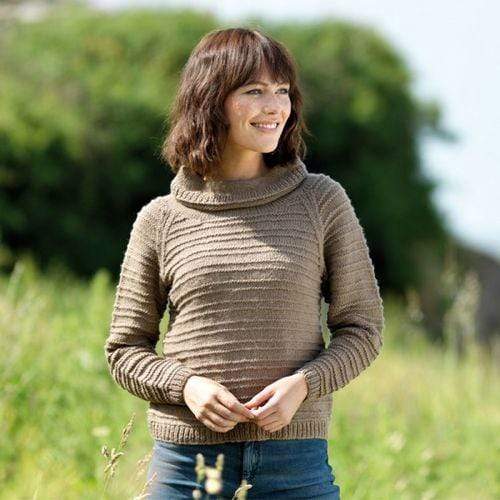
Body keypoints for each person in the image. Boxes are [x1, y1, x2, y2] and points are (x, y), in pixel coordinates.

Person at [104, 26, 384, 499]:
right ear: (210, 100)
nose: (275, 107)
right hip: (185, 468)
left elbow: (363, 330)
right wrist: (185, 386)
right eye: (254, 91)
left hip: (294, 466)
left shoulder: (320, 201)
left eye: (283, 91)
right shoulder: (160, 219)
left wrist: (305, 385)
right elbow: (125, 350)